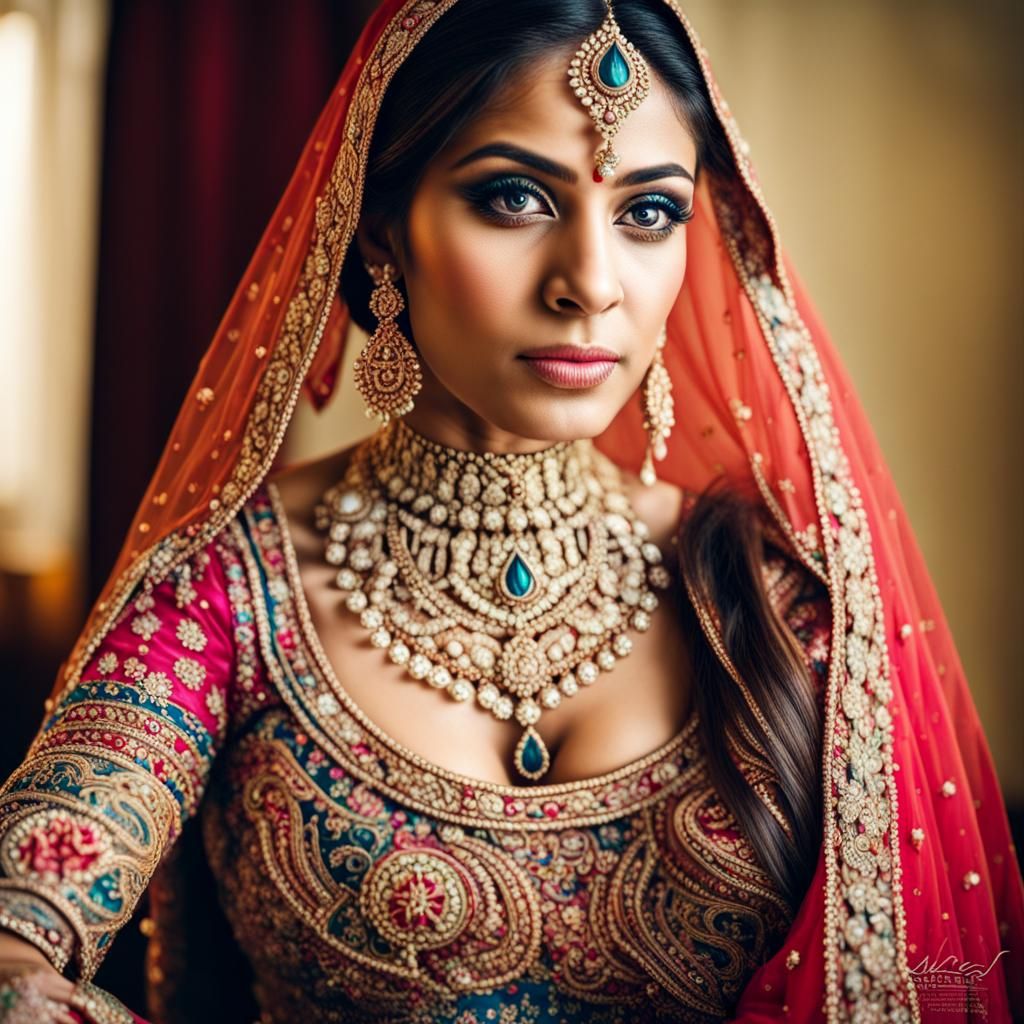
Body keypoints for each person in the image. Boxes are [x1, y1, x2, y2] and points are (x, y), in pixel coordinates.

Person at [0, 1, 1021, 1021]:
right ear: (382, 229)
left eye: (648, 212)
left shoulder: (773, 595)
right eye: (514, 198)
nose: (591, 283)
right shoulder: (228, 592)